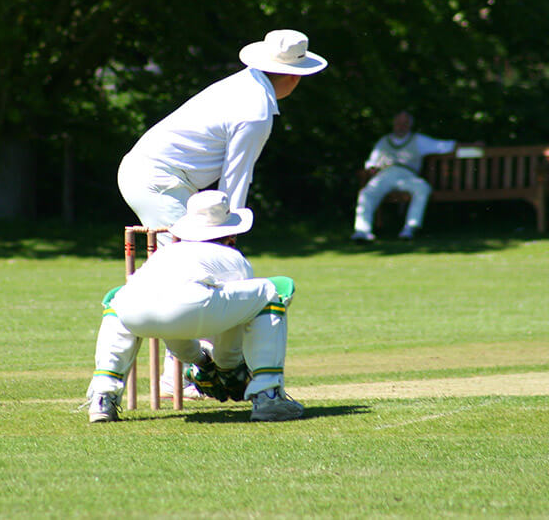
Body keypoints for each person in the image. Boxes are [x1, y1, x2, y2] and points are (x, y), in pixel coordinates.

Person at [117, 29, 327, 397]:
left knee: (188, 276)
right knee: (189, 275)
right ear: (294, 77)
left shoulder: (242, 85)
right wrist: (226, 237)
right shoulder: (256, 111)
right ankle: (184, 376)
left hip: (152, 175)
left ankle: (182, 373)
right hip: (158, 181)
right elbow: (235, 180)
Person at [86, 190, 303, 423]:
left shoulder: (166, 252)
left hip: (131, 307)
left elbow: (169, 317)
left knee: (119, 303)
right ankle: (268, 396)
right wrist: (228, 367)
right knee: (270, 292)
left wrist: (201, 361)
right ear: (231, 237)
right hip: (188, 310)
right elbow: (234, 321)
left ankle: (102, 397)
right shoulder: (233, 257)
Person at [351, 111, 459, 242]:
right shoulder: (384, 141)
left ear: (410, 125)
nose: (401, 126)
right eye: (398, 123)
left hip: (407, 175)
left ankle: (410, 228)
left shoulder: (418, 139)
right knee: (367, 193)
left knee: (422, 188)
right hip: (385, 174)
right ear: (393, 124)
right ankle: (362, 231)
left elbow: (445, 146)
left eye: (405, 123)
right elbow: (371, 161)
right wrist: (372, 168)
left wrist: (473, 146)